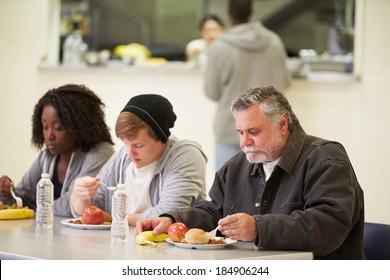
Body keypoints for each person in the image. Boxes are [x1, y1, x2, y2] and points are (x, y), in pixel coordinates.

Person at [136, 86, 365, 260]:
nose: (244, 142)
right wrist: (173, 220)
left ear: (283, 125)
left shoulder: (325, 160)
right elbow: (215, 210)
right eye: (240, 132)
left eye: (253, 131)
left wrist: (259, 228)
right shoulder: (236, 166)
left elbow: (329, 226)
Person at [70, 94, 207, 226]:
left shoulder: (186, 155)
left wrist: (116, 219)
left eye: (138, 145)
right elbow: (94, 210)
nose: (130, 152)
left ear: (162, 138)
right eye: (125, 144)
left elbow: (169, 214)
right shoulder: (124, 156)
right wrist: (80, 195)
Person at [0, 84, 115, 217]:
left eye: (58, 128)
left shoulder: (100, 153)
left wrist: (38, 211)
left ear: (78, 127)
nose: (49, 136)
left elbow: (70, 205)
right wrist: (8, 193)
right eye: (45, 127)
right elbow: (25, 198)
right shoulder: (48, 157)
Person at [205, 0, 290, 169]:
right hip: (267, 131)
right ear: (252, 11)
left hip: (231, 130)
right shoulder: (274, 42)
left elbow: (211, 92)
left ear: (229, 13)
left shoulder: (219, 47)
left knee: (228, 189)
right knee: (269, 190)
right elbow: (284, 84)